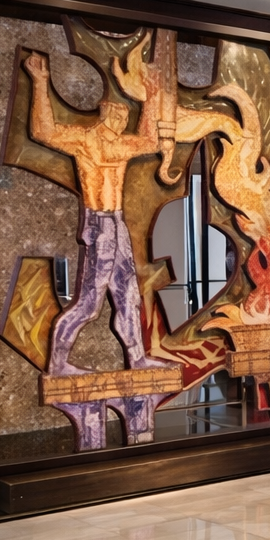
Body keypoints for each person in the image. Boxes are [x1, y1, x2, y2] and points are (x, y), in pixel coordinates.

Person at [24, 50, 169, 376]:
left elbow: (150, 141)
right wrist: (40, 81)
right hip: (99, 225)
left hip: (117, 224)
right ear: (107, 114)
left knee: (128, 297)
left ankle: (137, 359)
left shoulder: (121, 145)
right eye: (119, 116)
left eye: (125, 117)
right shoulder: (84, 141)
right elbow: (43, 131)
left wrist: (150, 97)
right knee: (89, 304)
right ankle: (57, 363)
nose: (123, 121)